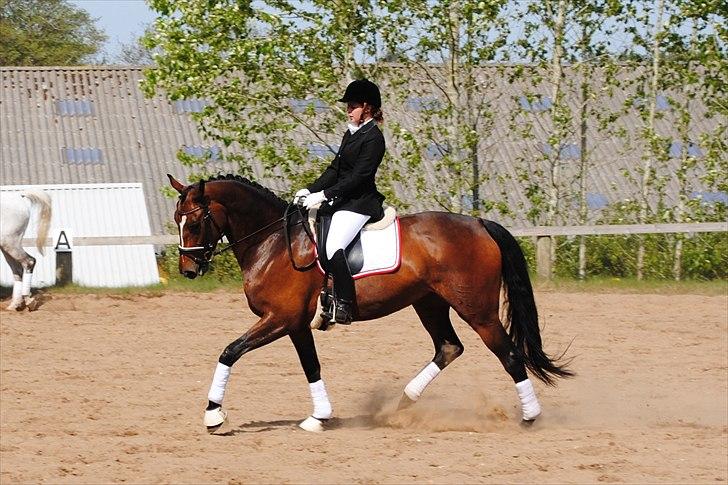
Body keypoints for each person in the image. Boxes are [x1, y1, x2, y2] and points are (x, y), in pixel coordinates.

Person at [293, 79, 386, 325]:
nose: (348, 110)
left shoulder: (374, 138)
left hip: (361, 203)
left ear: (367, 107)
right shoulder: (350, 134)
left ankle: (344, 304)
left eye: (353, 105)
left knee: (334, 245)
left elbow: (359, 177)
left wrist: (324, 195)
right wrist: (309, 189)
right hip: (343, 201)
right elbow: (336, 169)